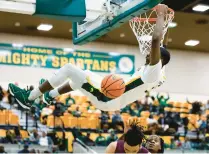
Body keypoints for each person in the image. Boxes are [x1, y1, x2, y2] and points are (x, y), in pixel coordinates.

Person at [8, 4, 170, 112]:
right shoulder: (160, 71)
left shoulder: (153, 70)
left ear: (159, 58)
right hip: (114, 99)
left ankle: (29, 98)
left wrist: (161, 13)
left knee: (69, 69)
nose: (148, 52)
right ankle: (48, 97)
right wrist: (165, 28)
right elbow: (161, 43)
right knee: (82, 76)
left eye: (152, 52)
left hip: (107, 98)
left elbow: (156, 40)